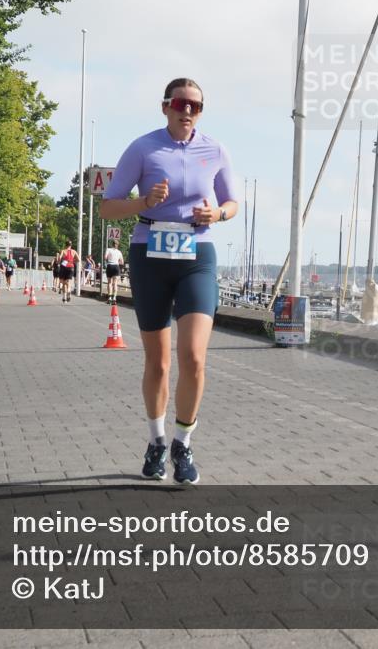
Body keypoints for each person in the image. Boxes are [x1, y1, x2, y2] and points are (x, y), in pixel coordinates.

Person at [100, 77, 237, 485]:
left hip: (197, 254)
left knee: (194, 357)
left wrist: (218, 215)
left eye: (196, 105)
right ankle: (157, 442)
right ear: (165, 107)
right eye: (181, 103)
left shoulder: (214, 149)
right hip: (150, 253)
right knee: (158, 363)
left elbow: (232, 203)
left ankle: (184, 442)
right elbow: (107, 208)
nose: (188, 111)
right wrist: (144, 202)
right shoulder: (143, 147)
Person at [104, 240, 124, 304]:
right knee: (115, 283)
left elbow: (105, 257)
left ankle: (109, 297)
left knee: (109, 283)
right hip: (116, 266)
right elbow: (122, 262)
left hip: (110, 265)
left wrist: (108, 260)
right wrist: (117, 261)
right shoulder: (119, 252)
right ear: (117, 245)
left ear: (112, 244)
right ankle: (114, 298)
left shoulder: (108, 249)